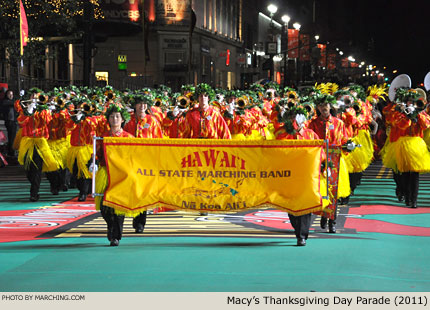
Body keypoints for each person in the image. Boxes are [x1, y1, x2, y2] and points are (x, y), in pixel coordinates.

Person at [308, 94, 350, 233]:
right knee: (322, 191)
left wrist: (348, 146)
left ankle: (333, 221)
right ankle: (324, 215)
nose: (323, 108)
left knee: (334, 192)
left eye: (325, 105)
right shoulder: (313, 124)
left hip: (336, 162)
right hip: (319, 161)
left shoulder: (339, 123)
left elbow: (344, 140)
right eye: (320, 106)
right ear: (317, 108)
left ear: (330, 106)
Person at [95, 102, 133, 246]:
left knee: (119, 206)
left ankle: (116, 236)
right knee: (104, 206)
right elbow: (97, 154)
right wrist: (93, 162)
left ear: (122, 119)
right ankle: (111, 226)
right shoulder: (103, 137)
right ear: (108, 119)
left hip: (122, 174)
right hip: (106, 172)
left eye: (117, 117)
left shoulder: (129, 138)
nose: (115, 119)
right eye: (112, 117)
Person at [124, 94, 163, 233]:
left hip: (146, 161)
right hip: (130, 161)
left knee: (143, 191)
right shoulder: (127, 121)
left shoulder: (152, 121)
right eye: (139, 104)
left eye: (145, 104)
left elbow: (160, 140)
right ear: (135, 106)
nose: (142, 107)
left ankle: (140, 222)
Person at [1, 90, 18, 157]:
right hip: (9, 121)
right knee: (11, 137)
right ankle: (11, 151)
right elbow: (11, 104)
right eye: (9, 94)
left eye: (12, 94)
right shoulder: (5, 101)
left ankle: (11, 150)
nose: (11, 96)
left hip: (14, 121)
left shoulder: (12, 102)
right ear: (6, 95)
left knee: (13, 137)